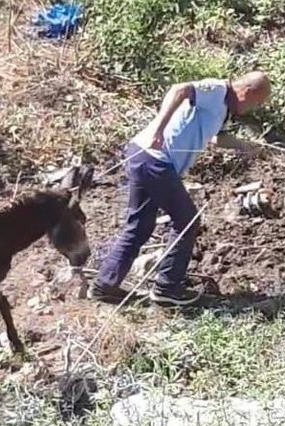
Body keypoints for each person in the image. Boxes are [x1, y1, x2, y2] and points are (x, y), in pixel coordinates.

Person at [88, 71, 272, 306]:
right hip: (155, 159)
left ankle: (103, 286)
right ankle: (166, 288)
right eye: (257, 103)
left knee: (140, 225)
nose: (255, 108)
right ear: (247, 92)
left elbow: (217, 139)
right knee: (187, 220)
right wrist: (159, 130)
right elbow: (179, 89)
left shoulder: (223, 109)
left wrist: (247, 146)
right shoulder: (217, 90)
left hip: (144, 157)